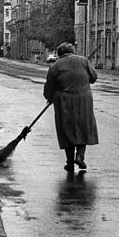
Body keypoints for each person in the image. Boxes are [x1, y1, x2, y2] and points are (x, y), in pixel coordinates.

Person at [43, 42, 100, 172]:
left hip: (64, 101)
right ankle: (80, 156)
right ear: (72, 51)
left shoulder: (55, 66)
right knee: (82, 127)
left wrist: (49, 98)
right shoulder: (84, 61)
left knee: (66, 129)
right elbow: (94, 78)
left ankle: (69, 162)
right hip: (83, 100)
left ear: (59, 54)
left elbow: (49, 88)